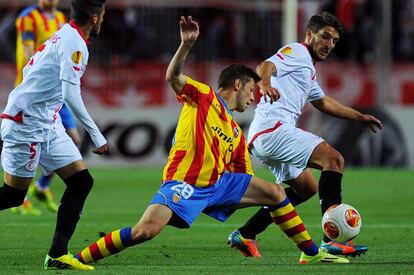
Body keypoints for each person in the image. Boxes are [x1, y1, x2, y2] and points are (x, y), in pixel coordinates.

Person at [74, 16, 348, 267]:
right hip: (185, 183)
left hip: (217, 186)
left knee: (275, 193)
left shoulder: (235, 132)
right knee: (144, 231)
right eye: (252, 91)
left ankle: (313, 252)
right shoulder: (204, 97)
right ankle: (77, 258)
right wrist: (185, 45)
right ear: (238, 85)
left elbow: (244, 175)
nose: (254, 98)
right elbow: (173, 77)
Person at [227, 11, 383, 258]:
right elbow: (265, 66)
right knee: (334, 160)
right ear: (310, 34)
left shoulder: (307, 68)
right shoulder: (298, 52)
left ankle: (247, 233)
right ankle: (330, 241)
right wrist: (264, 83)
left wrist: (358, 116)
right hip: (274, 129)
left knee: (306, 189)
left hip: (264, 136)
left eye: (334, 41)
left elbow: (322, 102)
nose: (329, 45)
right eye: (325, 37)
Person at [0, 0, 108, 270]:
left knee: (81, 182)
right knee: (13, 196)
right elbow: (71, 94)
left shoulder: (65, 33)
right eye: (103, 15)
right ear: (95, 18)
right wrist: (97, 135)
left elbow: (29, 70)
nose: (104, 20)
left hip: (47, 122)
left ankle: (58, 254)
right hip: (26, 124)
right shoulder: (74, 43)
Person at [13, 0, 81, 215]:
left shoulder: (61, 19)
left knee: (74, 140)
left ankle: (41, 188)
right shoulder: (28, 18)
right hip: (35, 93)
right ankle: (20, 194)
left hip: (58, 92)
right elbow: (27, 53)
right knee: (30, 146)